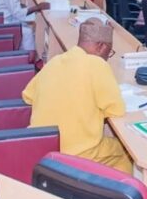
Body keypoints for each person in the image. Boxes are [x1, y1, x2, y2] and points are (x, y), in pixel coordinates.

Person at [22, 19, 132, 173]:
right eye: (109, 53)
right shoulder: (98, 65)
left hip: (43, 149)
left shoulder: (54, 61)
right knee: (124, 152)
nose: (107, 57)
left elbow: (27, 96)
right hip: (80, 153)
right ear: (101, 46)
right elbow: (117, 111)